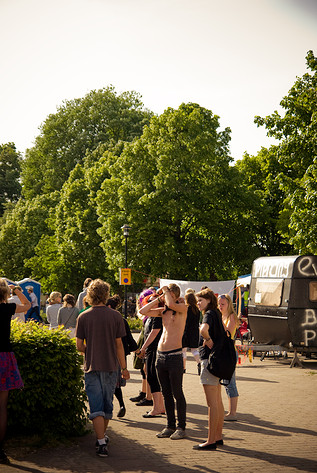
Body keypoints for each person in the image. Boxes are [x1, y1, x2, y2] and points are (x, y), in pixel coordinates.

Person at [76, 279, 129, 458]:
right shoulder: (115, 316)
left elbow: (79, 346)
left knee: (95, 406)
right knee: (107, 406)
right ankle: (102, 437)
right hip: (111, 367)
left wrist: (90, 351)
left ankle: (100, 441)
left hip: (91, 366)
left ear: (90, 295)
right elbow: (119, 345)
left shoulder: (83, 316)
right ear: (106, 294)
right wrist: (124, 368)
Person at [139, 283, 187, 440]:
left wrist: (165, 290)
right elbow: (143, 311)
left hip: (175, 356)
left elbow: (173, 304)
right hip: (161, 356)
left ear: (174, 295)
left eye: (167, 295)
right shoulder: (163, 311)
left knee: (177, 392)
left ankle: (181, 427)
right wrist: (158, 298)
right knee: (165, 393)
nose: (165, 298)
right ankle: (170, 425)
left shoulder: (182, 308)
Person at [0, 279, 31, 464]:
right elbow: (27, 306)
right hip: (3, 357)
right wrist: (17, 290)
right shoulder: (7, 309)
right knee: (2, 406)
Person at [193, 288, 224, 450]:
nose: (198, 303)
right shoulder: (217, 313)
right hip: (218, 361)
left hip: (209, 360)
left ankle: (210, 440)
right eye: (197, 300)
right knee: (218, 401)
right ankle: (218, 437)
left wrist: (208, 340)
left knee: (211, 404)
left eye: (200, 300)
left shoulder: (208, 314)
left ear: (209, 300)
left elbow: (203, 330)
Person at [106, 295, 139, 418]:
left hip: (110, 355)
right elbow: (129, 338)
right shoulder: (122, 319)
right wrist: (138, 351)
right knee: (116, 383)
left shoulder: (108, 320)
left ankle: (113, 406)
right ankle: (121, 404)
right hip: (121, 356)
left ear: (109, 306)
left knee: (109, 382)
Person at [139, 293, 165, 418]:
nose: (151, 303)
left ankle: (157, 408)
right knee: (152, 377)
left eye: (154, 301)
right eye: (149, 301)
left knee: (153, 377)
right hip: (151, 349)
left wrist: (143, 348)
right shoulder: (152, 315)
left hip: (154, 349)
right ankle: (160, 407)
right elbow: (142, 311)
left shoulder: (158, 315)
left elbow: (154, 333)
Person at [218, 294, 240, 421]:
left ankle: (233, 413)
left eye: (223, 304)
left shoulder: (232, 316)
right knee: (224, 382)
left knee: (230, 382)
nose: (220, 306)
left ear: (228, 304)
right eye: (219, 304)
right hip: (221, 352)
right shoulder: (221, 316)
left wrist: (220, 322)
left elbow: (228, 334)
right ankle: (229, 411)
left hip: (229, 351)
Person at [182, 291, 201, 374]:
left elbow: (186, 322)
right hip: (195, 331)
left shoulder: (186, 309)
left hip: (186, 331)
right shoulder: (197, 309)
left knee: (183, 350)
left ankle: (183, 368)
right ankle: (200, 363)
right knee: (194, 350)